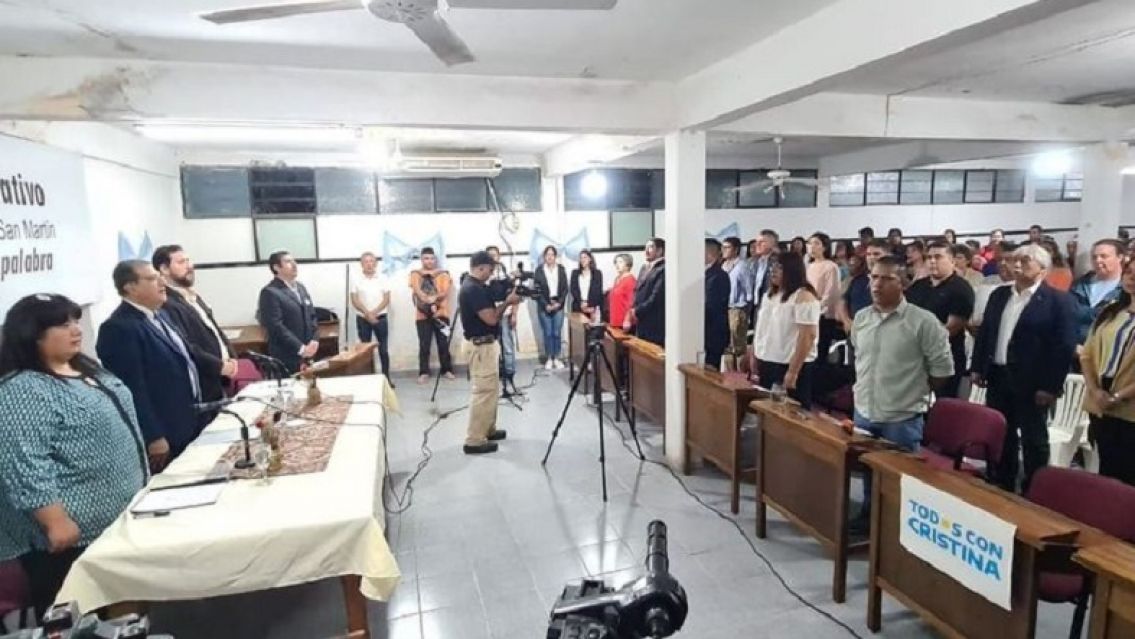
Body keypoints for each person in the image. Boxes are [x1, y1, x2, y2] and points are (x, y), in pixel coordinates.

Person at [0, 294, 148, 618]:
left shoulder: (84, 368)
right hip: (71, 538)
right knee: (79, 619)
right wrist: (54, 521)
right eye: (62, 324)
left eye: (75, 320)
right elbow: (24, 462)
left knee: (125, 610)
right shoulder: (23, 388)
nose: (75, 329)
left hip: (117, 519)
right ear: (31, 333)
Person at [849, 256, 953, 533]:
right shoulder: (861, 318)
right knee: (869, 472)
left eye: (886, 278)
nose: (876, 284)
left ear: (903, 283)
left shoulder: (923, 322)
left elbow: (942, 371)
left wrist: (914, 391)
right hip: (865, 410)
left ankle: (898, 533)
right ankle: (868, 515)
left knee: (901, 479)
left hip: (902, 416)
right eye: (873, 277)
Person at [972, 244, 1076, 493]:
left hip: (1033, 383)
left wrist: (1050, 386)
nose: (1016, 265)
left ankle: (1036, 487)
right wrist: (978, 367)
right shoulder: (999, 295)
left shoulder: (1058, 302)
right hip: (998, 375)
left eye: (1025, 261)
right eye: (1014, 260)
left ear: (1042, 269)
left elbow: (1062, 348)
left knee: (1033, 439)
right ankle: (1003, 481)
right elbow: (986, 333)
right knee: (1000, 433)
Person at [97, 260, 200, 470]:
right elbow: (132, 387)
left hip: (188, 419)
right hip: (165, 434)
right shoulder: (119, 328)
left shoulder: (160, 314)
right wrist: (153, 435)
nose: (162, 282)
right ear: (130, 286)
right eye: (152, 278)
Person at [152, 245, 237, 420]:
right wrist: (219, 366)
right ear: (164, 269)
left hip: (219, 380)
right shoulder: (166, 302)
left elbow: (214, 329)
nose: (190, 266)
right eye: (182, 262)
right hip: (202, 383)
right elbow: (186, 344)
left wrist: (232, 355)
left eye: (189, 261)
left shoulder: (191, 295)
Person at [458, 251, 521, 455]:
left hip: (486, 345)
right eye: (490, 270)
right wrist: (508, 303)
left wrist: (510, 282)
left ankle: (488, 429)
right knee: (483, 392)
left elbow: (494, 292)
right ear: (480, 267)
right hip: (480, 347)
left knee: (491, 390)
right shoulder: (471, 290)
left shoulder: (477, 286)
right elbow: (492, 319)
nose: (491, 274)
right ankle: (474, 440)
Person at [1080, 258, 1135, 486]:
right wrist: (1094, 390)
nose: (1132, 278)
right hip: (1101, 403)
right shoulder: (1110, 312)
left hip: (1129, 407)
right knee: (1108, 470)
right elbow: (1087, 355)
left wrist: (1118, 396)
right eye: (1129, 272)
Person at [906, 242, 975, 398]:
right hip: (913, 358)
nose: (932, 261)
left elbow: (951, 328)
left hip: (945, 358)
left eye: (938, 257)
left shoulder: (961, 289)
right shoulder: (918, 286)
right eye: (929, 257)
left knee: (943, 408)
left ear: (952, 261)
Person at [753, 252, 820, 408]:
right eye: (772, 266)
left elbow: (807, 336)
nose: (773, 271)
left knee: (792, 411)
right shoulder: (770, 295)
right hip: (768, 359)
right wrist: (755, 352)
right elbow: (762, 327)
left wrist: (793, 371)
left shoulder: (803, 296)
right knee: (767, 409)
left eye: (779, 267)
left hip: (789, 363)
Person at [257, 251, 318, 375]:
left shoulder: (301, 288)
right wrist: (300, 348)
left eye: (294, 261)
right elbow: (275, 326)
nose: (294, 264)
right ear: (276, 268)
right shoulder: (270, 292)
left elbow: (312, 316)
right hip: (287, 355)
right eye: (288, 262)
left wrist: (314, 340)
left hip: (308, 353)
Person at [410, 247, 454, 383]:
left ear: (435, 259)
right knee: (424, 344)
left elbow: (445, 292)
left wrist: (433, 299)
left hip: (441, 314)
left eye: (431, 258)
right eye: (426, 258)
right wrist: (426, 299)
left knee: (443, 343)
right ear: (422, 259)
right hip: (422, 315)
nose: (429, 261)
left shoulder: (444, 274)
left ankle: (447, 369)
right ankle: (424, 372)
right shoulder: (415, 274)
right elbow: (416, 290)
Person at [1070, 239, 1124, 344]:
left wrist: (1082, 312)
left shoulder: (1126, 289)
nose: (1098, 260)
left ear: (1120, 258)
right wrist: (1098, 313)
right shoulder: (1080, 285)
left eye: (1104, 256)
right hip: (1075, 349)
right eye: (1094, 257)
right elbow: (1068, 311)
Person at [350, 251, 392, 384]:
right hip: (363, 319)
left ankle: (386, 378)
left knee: (383, 350)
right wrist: (367, 313)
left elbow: (386, 299)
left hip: (380, 317)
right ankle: (368, 379)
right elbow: (354, 299)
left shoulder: (383, 278)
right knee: (365, 352)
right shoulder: (356, 279)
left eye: (372, 261)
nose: (369, 264)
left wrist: (374, 313)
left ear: (376, 263)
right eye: (366, 262)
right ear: (361, 264)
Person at [806, 232, 841, 368]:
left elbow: (831, 293)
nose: (811, 247)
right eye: (809, 243)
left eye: (816, 243)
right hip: (809, 313)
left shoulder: (830, 266)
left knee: (820, 353)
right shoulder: (809, 266)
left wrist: (817, 309)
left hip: (823, 315)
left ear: (825, 247)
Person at [487, 245, 519, 389]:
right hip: (490, 314)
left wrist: (514, 313)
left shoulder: (506, 272)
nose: (493, 257)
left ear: (499, 256)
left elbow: (515, 294)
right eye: (490, 255)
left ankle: (510, 373)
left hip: (505, 313)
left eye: (495, 255)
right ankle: (495, 372)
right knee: (492, 346)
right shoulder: (484, 274)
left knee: (507, 344)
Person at [534, 245, 569, 370]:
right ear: (544, 257)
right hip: (544, 305)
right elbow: (537, 291)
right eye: (547, 255)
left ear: (555, 256)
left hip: (558, 304)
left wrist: (559, 303)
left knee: (556, 332)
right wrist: (546, 305)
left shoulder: (561, 269)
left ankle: (557, 357)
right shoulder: (539, 270)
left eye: (552, 254)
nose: (549, 257)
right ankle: (549, 357)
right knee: (548, 333)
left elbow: (565, 289)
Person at [721, 236, 753, 371]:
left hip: (738, 307)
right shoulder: (724, 265)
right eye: (723, 247)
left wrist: (745, 309)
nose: (724, 250)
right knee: (728, 344)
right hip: (725, 307)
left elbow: (748, 289)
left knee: (738, 344)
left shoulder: (742, 265)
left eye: (727, 247)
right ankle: (729, 375)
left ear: (736, 250)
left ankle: (741, 375)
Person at [629, 238, 666, 347]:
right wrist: (633, 309)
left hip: (654, 321)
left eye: (650, 247)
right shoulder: (644, 268)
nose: (646, 251)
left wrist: (638, 310)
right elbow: (637, 290)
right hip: (640, 320)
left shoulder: (664, 269)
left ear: (660, 251)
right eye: (645, 248)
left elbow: (656, 297)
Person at [704, 239, 731, 370]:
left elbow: (713, 306)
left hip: (712, 334)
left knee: (710, 372)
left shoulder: (719, 276)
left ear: (708, 253)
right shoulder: (703, 274)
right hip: (703, 333)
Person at [569, 249, 604, 316]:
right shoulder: (575, 273)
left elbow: (598, 291)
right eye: (581, 258)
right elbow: (573, 290)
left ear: (590, 259)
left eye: (585, 257)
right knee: (577, 326)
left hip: (592, 307)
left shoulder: (597, 273)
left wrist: (589, 304)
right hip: (578, 307)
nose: (582, 260)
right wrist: (581, 303)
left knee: (592, 326)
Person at [608, 253, 636, 330]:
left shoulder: (630, 280)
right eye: (616, 262)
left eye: (620, 262)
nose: (617, 265)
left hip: (624, 324)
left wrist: (627, 320)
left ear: (628, 264)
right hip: (614, 321)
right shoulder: (617, 278)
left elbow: (632, 303)